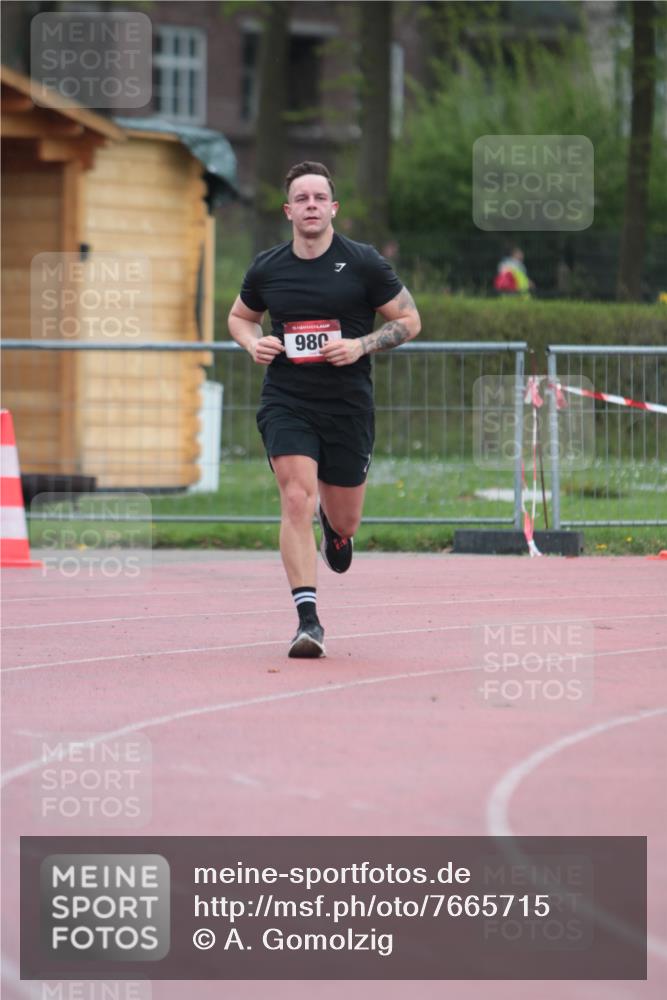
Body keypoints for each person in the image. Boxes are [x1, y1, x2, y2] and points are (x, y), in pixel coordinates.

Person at [227, 161, 421, 658]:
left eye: (319, 197)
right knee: (297, 499)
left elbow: (409, 320)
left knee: (345, 519)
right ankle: (308, 621)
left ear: (333, 208)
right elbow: (239, 317)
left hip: (347, 407)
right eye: (302, 198)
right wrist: (253, 344)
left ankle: (336, 534)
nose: (311, 205)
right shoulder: (268, 267)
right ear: (288, 209)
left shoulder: (362, 263)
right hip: (287, 400)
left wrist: (361, 345)